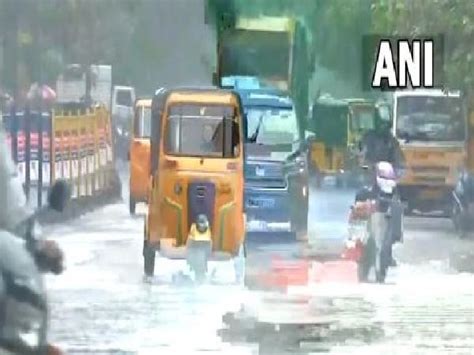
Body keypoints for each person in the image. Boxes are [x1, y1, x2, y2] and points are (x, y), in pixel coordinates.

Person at [358, 110, 405, 268]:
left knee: (397, 206)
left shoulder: (392, 141)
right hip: (370, 181)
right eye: (381, 123)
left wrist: (399, 172)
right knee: (359, 201)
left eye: (386, 124)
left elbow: (400, 161)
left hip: (387, 183)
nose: (383, 127)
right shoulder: (368, 137)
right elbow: (361, 154)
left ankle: (390, 248)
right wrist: (364, 165)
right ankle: (357, 242)